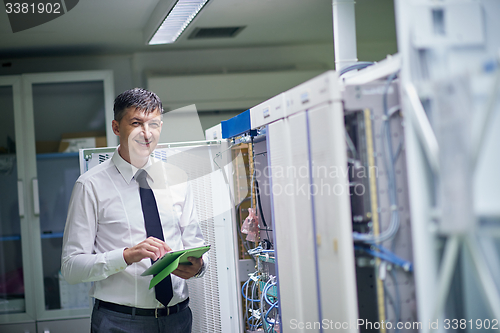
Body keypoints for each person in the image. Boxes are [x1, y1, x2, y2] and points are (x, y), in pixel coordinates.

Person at [61, 88, 207, 333]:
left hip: (178, 319)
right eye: (136, 123)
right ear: (117, 128)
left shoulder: (177, 178)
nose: (147, 134)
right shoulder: (90, 185)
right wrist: (127, 255)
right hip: (120, 322)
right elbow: (71, 268)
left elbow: (195, 243)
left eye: (154, 124)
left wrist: (199, 266)